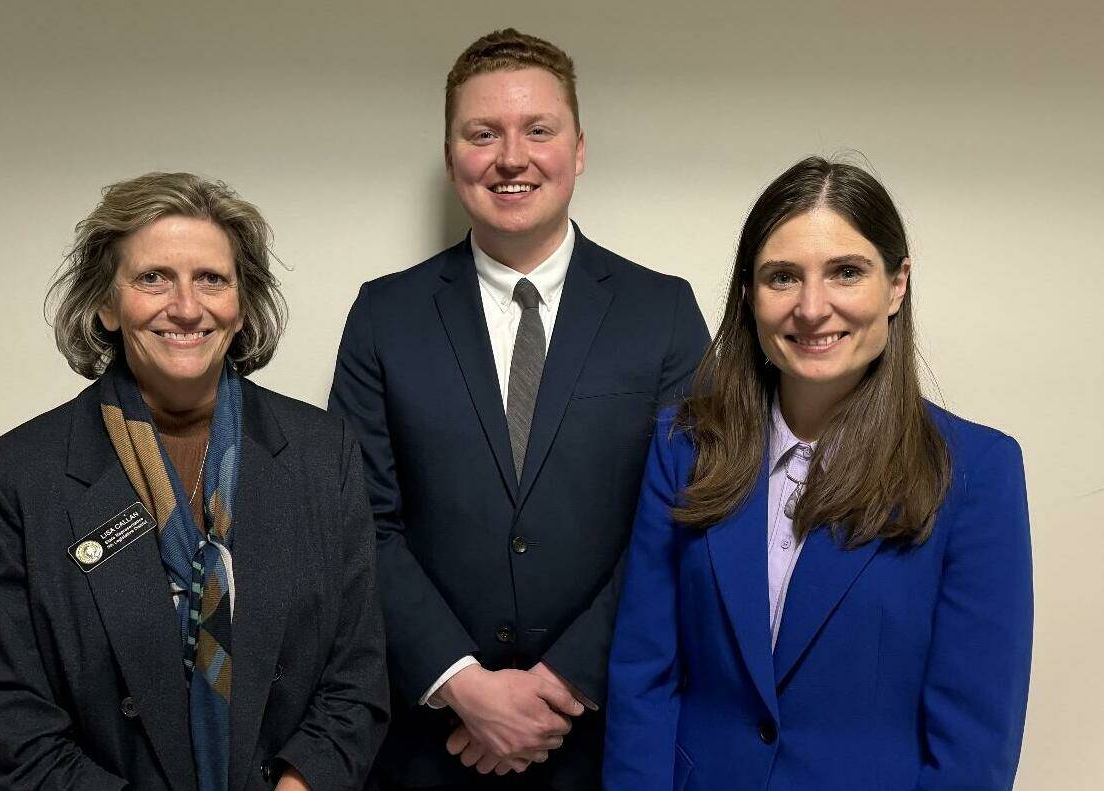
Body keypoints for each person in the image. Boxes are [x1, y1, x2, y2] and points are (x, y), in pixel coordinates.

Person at [329, 28, 709, 791]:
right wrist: (463, 683)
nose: (511, 157)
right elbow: (359, 521)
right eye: (482, 134)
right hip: (427, 746)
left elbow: (688, 513)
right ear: (450, 157)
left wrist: (561, 685)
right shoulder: (383, 315)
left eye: (538, 130)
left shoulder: (663, 312)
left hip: (606, 740)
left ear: (579, 148)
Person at [603, 156, 1033, 790]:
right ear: (748, 295)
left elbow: (974, 744)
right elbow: (643, 677)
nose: (811, 308)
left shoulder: (976, 473)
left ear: (897, 285)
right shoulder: (684, 447)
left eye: (846, 272)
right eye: (782, 277)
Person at [0, 172, 388, 791]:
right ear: (106, 305)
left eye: (211, 279)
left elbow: (357, 679)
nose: (186, 307)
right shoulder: (13, 478)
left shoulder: (325, 454)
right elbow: (10, 724)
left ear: (242, 305)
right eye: (153, 278)